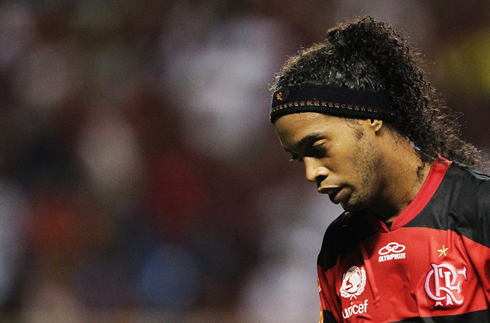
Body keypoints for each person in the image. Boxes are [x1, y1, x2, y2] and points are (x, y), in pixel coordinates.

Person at [269, 16, 490, 322]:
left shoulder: (480, 210)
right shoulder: (337, 248)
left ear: (369, 117)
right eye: (298, 158)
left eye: (318, 149)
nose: (311, 173)